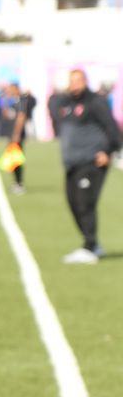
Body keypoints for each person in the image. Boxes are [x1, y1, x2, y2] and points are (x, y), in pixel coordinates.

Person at [58, 69, 122, 264]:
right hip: (73, 163)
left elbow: (111, 127)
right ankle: (93, 244)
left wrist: (109, 151)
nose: (75, 84)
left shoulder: (95, 102)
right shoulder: (67, 102)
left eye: (78, 80)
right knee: (73, 202)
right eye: (72, 80)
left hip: (92, 161)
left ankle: (90, 247)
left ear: (86, 81)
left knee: (85, 203)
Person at [5, 83, 36, 194]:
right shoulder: (13, 101)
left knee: (17, 159)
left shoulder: (22, 101)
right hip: (12, 133)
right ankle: (16, 182)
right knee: (13, 159)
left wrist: (16, 133)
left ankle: (19, 183)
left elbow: (21, 117)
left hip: (17, 135)